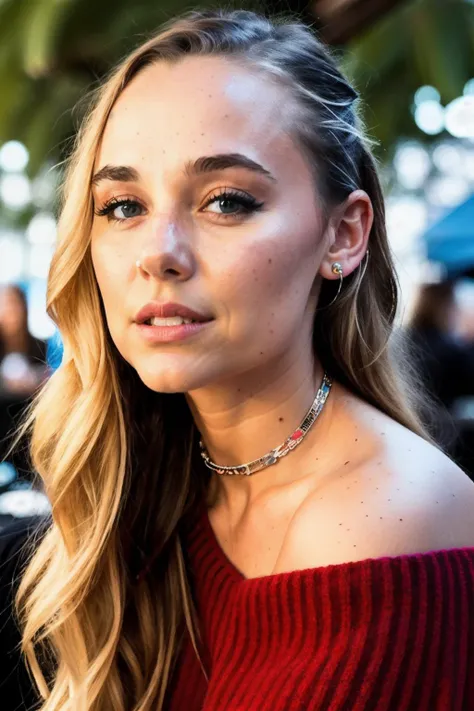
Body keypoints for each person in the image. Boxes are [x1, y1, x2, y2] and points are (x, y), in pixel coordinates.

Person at [1, 9, 474, 711]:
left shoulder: (391, 526)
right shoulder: (166, 479)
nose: (159, 252)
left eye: (226, 201)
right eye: (123, 205)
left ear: (343, 236)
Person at [407, 281, 474, 465]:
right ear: (445, 307)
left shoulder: (404, 340)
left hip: (409, 429)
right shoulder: (449, 349)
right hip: (443, 436)